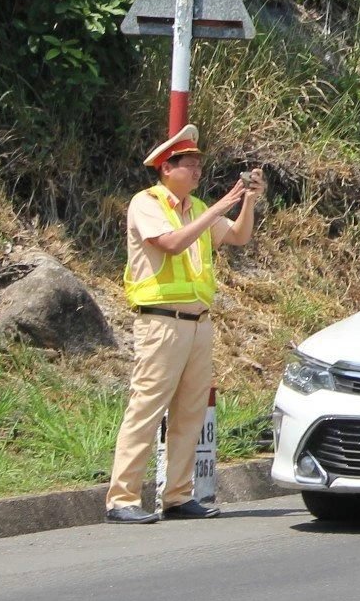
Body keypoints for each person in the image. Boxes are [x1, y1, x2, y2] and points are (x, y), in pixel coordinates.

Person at [106, 126, 259, 524]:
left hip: (198, 322)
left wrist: (249, 201)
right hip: (161, 322)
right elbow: (171, 243)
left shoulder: (197, 207)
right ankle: (121, 498)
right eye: (188, 165)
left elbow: (239, 237)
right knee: (147, 408)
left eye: (197, 165)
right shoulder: (147, 203)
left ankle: (177, 495)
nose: (196, 172)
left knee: (190, 411)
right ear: (166, 167)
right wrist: (219, 206)